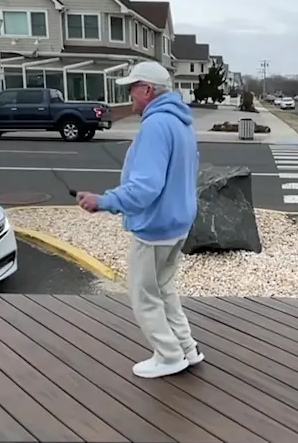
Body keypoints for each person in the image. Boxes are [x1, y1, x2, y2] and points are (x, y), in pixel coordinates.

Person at [76, 61, 203, 379]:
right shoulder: (181, 123)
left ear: (147, 90)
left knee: (144, 294)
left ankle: (169, 355)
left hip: (155, 227)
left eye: (132, 87)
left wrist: (103, 201)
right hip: (178, 223)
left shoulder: (156, 126)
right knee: (164, 288)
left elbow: (145, 187)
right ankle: (187, 348)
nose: (129, 93)